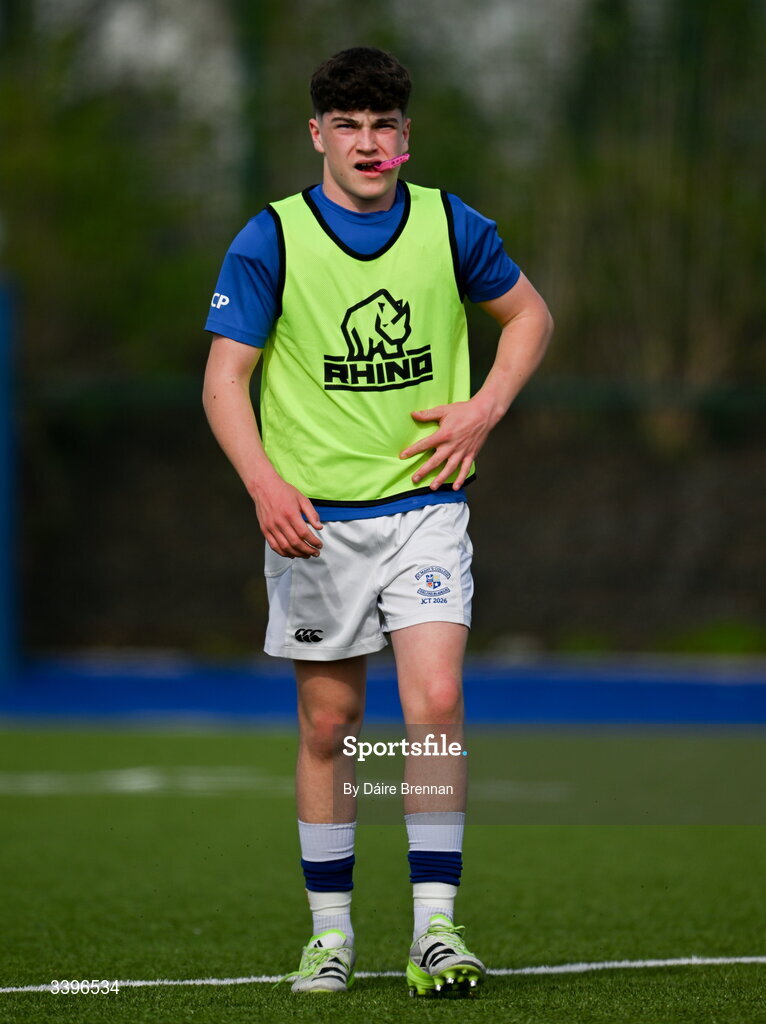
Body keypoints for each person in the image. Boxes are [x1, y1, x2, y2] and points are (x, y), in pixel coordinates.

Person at [202, 46, 553, 997]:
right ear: (318, 135)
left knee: (433, 702)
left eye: (384, 126)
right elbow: (224, 380)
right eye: (348, 126)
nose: (368, 143)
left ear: (406, 138)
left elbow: (529, 318)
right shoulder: (270, 239)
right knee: (333, 721)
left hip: (426, 512)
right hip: (314, 522)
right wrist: (266, 487)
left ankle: (437, 931)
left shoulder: (450, 225)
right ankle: (331, 933)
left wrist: (483, 406)